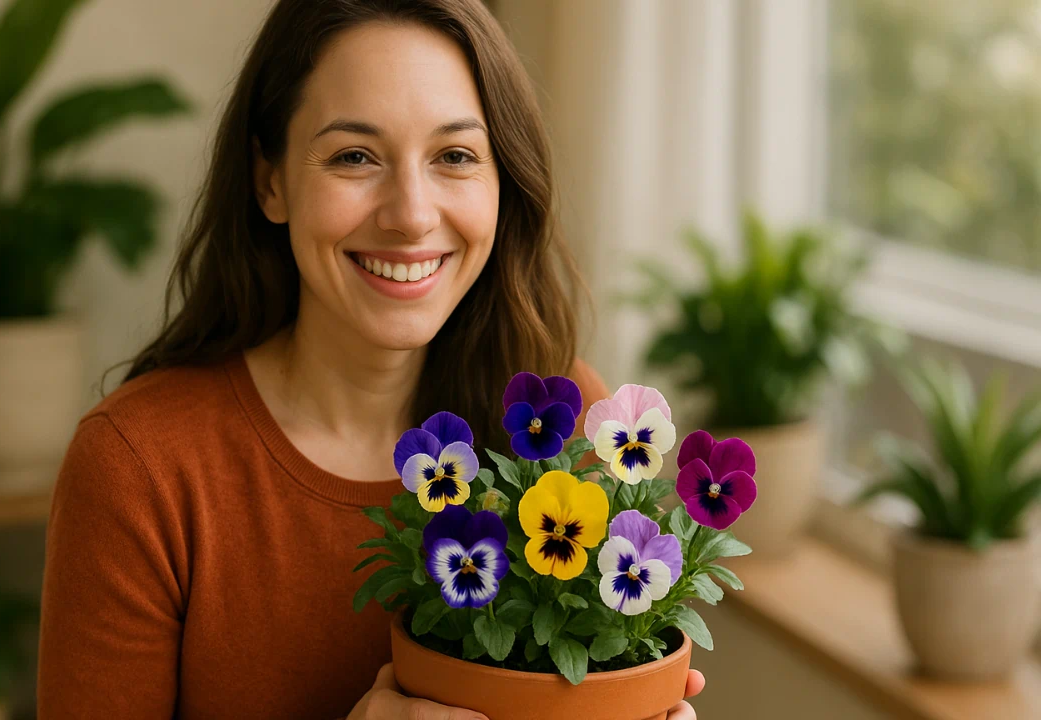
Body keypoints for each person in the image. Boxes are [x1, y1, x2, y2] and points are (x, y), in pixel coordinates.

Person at [36, 0, 705, 717]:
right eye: (354, 156)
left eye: (454, 156)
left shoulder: (563, 415)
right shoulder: (141, 469)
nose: (411, 214)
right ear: (270, 181)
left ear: (502, 178)